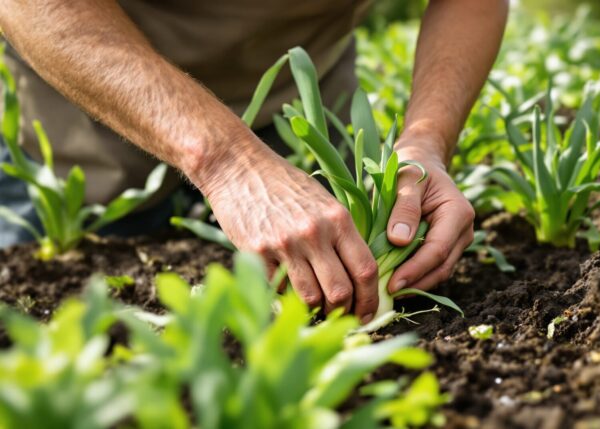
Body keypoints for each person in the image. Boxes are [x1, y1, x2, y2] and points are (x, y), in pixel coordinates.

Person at [0, 0, 508, 323]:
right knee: (61, 296)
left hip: (299, 95)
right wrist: (227, 161)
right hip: (99, 102)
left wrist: (425, 141)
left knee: (328, 257)